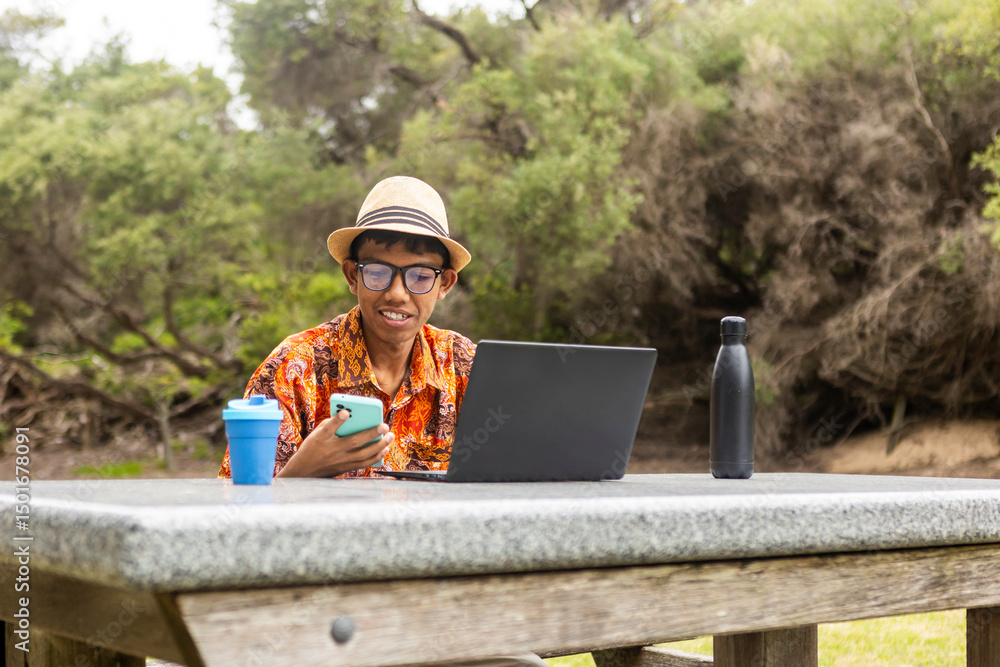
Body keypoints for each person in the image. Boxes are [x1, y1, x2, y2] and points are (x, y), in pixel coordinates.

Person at [218, 175, 476, 479]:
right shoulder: (292, 370)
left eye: (420, 276)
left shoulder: (465, 368)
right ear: (352, 276)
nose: (397, 294)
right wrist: (303, 471)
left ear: (445, 283)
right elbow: (240, 503)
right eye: (378, 272)